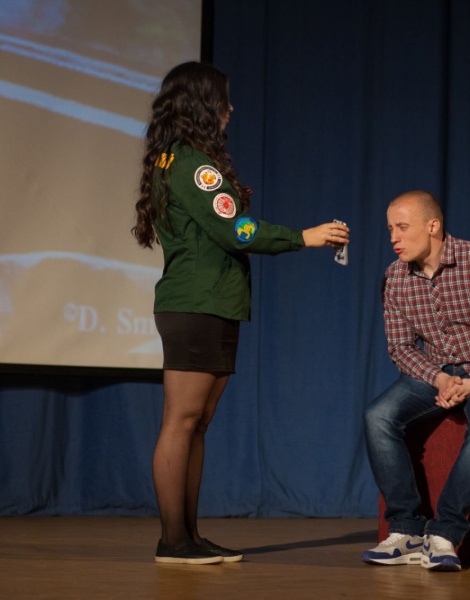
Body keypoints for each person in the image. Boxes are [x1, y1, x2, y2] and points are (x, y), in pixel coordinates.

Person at [132, 61, 349, 565]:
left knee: (197, 422)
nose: (230, 108)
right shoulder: (192, 165)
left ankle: (187, 536)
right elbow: (237, 231)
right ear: (201, 105)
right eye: (222, 99)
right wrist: (303, 237)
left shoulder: (178, 159)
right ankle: (173, 540)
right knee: (182, 420)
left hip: (210, 304)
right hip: (197, 305)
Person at [362, 190, 470, 572]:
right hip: (437, 373)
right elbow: (401, 348)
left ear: (433, 226)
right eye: (390, 229)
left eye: (402, 227)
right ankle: (406, 528)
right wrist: (439, 378)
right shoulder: (395, 277)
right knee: (378, 416)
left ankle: (445, 533)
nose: (394, 238)